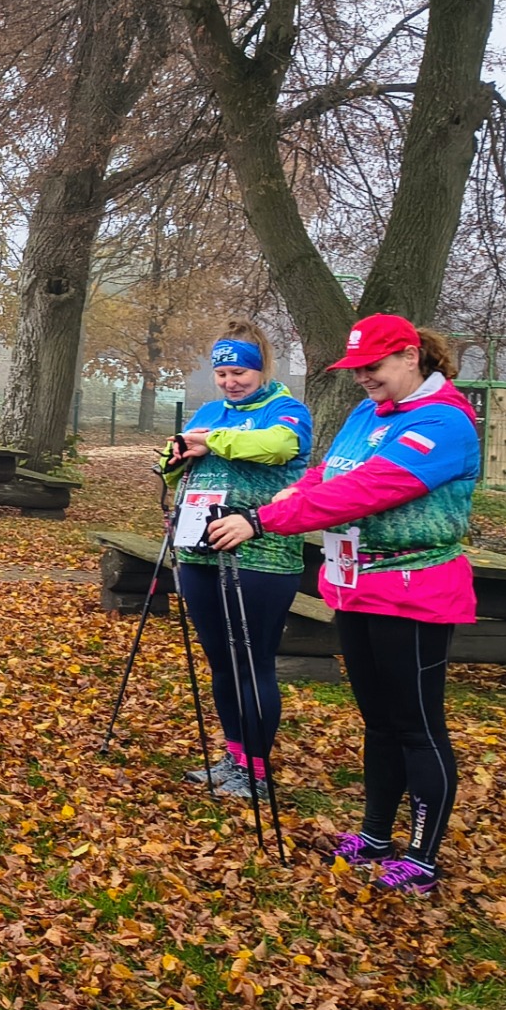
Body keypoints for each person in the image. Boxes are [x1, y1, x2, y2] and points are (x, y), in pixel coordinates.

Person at [207, 315, 479, 895]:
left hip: (417, 590)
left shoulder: (444, 421)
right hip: (356, 585)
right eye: (356, 369)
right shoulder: (366, 414)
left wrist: (265, 518)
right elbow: (330, 474)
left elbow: (369, 488)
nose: (363, 378)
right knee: (378, 722)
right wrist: (299, 489)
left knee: (416, 725)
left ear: (410, 356)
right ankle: (376, 834)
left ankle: (423, 857)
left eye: (372, 367)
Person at [158, 319, 313, 799]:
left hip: (262, 554)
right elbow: (173, 463)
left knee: (252, 662)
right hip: (200, 551)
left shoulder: (285, 409)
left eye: (240, 373)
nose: (230, 382)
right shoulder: (209, 411)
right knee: (221, 662)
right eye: (222, 374)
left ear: (261, 368)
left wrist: (212, 441)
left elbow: (277, 447)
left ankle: (257, 771)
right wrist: (173, 459)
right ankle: (234, 756)